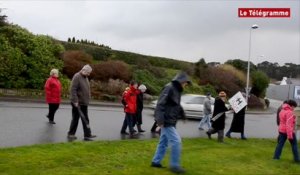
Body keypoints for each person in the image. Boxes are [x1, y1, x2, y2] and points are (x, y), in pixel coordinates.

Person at [151, 72, 191, 174]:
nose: (185, 85)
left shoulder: (177, 90)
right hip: (166, 121)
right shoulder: (169, 88)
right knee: (176, 141)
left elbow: (176, 105)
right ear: (181, 81)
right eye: (185, 83)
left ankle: (156, 162)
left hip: (171, 121)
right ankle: (174, 165)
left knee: (163, 142)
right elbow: (160, 104)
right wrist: (159, 120)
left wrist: (183, 115)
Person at [67, 65, 96, 141]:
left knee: (86, 119)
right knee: (75, 119)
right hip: (77, 103)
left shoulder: (85, 77)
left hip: (84, 103)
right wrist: (75, 101)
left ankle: (87, 135)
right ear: (84, 70)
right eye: (88, 73)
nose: (89, 74)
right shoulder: (77, 76)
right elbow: (73, 89)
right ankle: (71, 134)